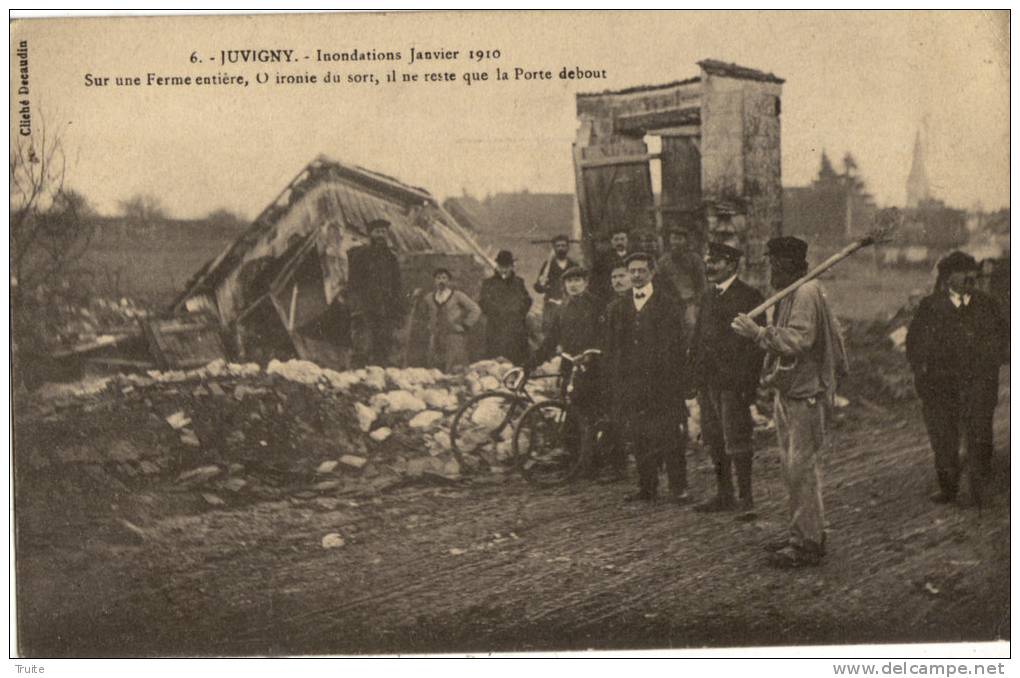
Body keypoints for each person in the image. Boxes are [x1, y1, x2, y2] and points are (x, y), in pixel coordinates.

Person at [732, 236, 848, 568]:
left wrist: (758, 334)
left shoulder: (807, 292)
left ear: (789, 264)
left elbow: (799, 339)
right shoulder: (791, 293)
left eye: (774, 264)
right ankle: (801, 533)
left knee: (802, 470)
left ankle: (808, 543)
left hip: (806, 394)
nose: (771, 270)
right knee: (791, 469)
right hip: (790, 391)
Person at [905, 251, 1008, 505]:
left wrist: (993, 359)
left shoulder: (987, 304)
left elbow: (1005, 338)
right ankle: (948, 488)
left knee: (980, 434)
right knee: (943, 436)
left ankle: (980, 490)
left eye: (972, 274)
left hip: (979, 381)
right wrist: (923, 371)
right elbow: (914, 343)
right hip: (941, 384)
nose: (969, 279)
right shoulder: (931, 306)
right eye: (963, 274)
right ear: (948, 277)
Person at [605, 251, 688, 504]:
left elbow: (676, 345)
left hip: (663, 383)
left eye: (642, 270)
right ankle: (647, 486)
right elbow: (612, 348)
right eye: (633, 271)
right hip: (633, 383)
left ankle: (678, 487)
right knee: (639, 435)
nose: (637, 275)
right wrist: (618, 382)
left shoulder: (668, 303)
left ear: (652, 272)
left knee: (669, 435)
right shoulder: (617, 308)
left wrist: (676, 381)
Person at [690, 242, 764, 517]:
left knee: (737, 439)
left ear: (732, 265)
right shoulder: (708, 295)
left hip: (733, 383)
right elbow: (698, 336)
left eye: (716, 261)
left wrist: (748, 385)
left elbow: (755, 345)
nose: (709, 265)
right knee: (714, 437)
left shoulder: (750, 296)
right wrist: (694, 372)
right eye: (708, 259)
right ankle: (724, 494)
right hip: (708, 380)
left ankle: (746, 499)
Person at [527, 266, 603, 474]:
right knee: (571, 410)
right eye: (569, 281)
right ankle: (575, 459)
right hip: (571, 366)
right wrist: (530, 364)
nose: (574, 284)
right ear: (564, 285)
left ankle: (601, 461)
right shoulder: (562, 310)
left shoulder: (596, 305)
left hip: (593, 366)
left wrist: (592, 353)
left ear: (586, 283)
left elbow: (604, 335)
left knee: (590, 413)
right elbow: (550, 342)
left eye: (578, 280)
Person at [347, 218, 404, 367]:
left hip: (385, 307)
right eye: (377, 232)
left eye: (384, 232)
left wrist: (396, 307)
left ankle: (379, 373)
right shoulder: (361, 254)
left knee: (384, 342)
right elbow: (353, 281)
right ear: (370, 234)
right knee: (363, 341)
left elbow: (397, 284)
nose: (381, 235)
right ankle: (357, 373)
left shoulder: (391, 259)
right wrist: (356, 304)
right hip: (365, 306)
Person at [409, 268, 482, 373]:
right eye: (438, 278)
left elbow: (476, 310)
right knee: (435, 369)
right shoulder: (429, 297)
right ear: (434, 280)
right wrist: (415, 298)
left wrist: (465, 325)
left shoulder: (457, 295)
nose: (441, 281)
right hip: (435, 338)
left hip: (453, 337)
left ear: (449, 281)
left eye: (444, 278)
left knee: (454, 368)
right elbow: (420, 313)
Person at [480, 250, 532, 366]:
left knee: (517, 359)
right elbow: (483, 302)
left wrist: (519, 313)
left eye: (507, 266)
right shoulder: (488, 283)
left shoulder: (519, 282)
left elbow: (527, 300)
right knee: (496, 361)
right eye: (501, 266)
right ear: (497, 266)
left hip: (516, 328)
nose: (504, 270)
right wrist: (496, 314)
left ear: (512, 267)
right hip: (496, 327)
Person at [657, 226, 707, 340]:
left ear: (685, 241)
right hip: (670, 303)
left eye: (679, 239)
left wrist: (697, 303)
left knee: (692, 328)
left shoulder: (694, 259)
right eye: (673, 238)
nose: (676, 242)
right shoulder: (663, 261)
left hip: (690, 303)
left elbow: (702, 283)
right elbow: (659, 284)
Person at [534, 235, 578, 336]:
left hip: (570, 305)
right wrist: (543, 286)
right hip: (552, 306)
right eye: (558, 246)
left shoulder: (573, 265)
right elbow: (538, 287)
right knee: (550, 334)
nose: (561, 248)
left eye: (563, 245)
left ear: (568, 247)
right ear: (554, 248)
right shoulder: (548, 265)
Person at [590, 227, 630, 305]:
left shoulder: (633, 256)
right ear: (611, 241)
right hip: (610, 296)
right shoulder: (602, 260)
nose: (619, 242)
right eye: (616, 239)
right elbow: (596, 280)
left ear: (627, 240)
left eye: (622, 239)